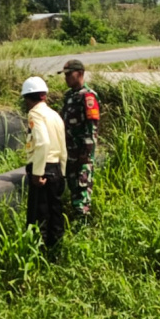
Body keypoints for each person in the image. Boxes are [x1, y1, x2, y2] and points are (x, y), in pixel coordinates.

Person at [21, 76, 68, 249]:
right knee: (55, 212)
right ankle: (56, 251)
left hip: (43, 169)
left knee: (39, 215)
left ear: (27, 98)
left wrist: (37, 173)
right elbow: (63, 146)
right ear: (44, 96)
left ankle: (39, 255)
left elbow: (43, 143)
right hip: (56, 168)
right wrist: (62, 172)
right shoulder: (54, 114)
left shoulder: (35, 114)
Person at [59, 60, 100, 220]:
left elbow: (92, 128)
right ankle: (75, 218)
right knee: (72, 185)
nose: (66, 78)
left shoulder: (88, 97)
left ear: (80, 73)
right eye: (65, 75)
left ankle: (83, 223)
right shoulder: (69, 96)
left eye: (70, 74)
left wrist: (86, 152)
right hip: (69, 151)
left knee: (82, 188)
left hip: (82, 153)